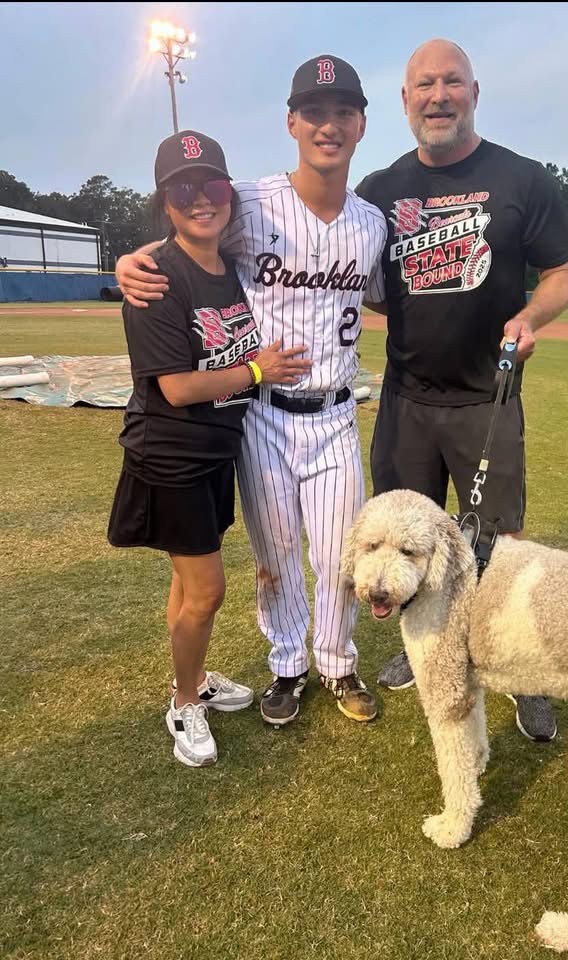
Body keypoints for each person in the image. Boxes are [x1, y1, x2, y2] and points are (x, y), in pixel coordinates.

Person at [115, 57, 387, 729]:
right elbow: (189, 223)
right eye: (314, 112)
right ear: (292, 122)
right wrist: (132, 259)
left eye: (342, 113)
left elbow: (385, 294)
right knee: (276, 556)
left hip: (334, 412)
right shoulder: (251, 201)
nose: (328, 126)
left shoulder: (372, 224)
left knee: (339, 554)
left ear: (361, 124)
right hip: (261, 416)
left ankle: (338, 662)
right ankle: (288, 665)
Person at [355, 39, 568, 743]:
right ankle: (423, 649)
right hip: (406, 400)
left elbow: (563, 272)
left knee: (499, 547)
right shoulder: (379, 190)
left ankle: (517, 670)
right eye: (423, 85)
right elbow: (350, 270)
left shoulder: (522, 179)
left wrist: (528, 317)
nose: (438, 96)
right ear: (405, 100)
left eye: (451, 82)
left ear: (474, 92)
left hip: (488, 398)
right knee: (405, 545)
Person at [108, 130, 312, 766]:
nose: (202, 199)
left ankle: (192, 678)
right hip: (171, 456)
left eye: (213, 185)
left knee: (187, 582)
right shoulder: (157, 279)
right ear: (165, 203)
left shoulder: (229, 267)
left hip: (215, 453)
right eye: (183, 190)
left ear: (230, 193)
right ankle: (184, 702)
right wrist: (257, 371)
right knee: (206, 592)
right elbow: (176, 387)